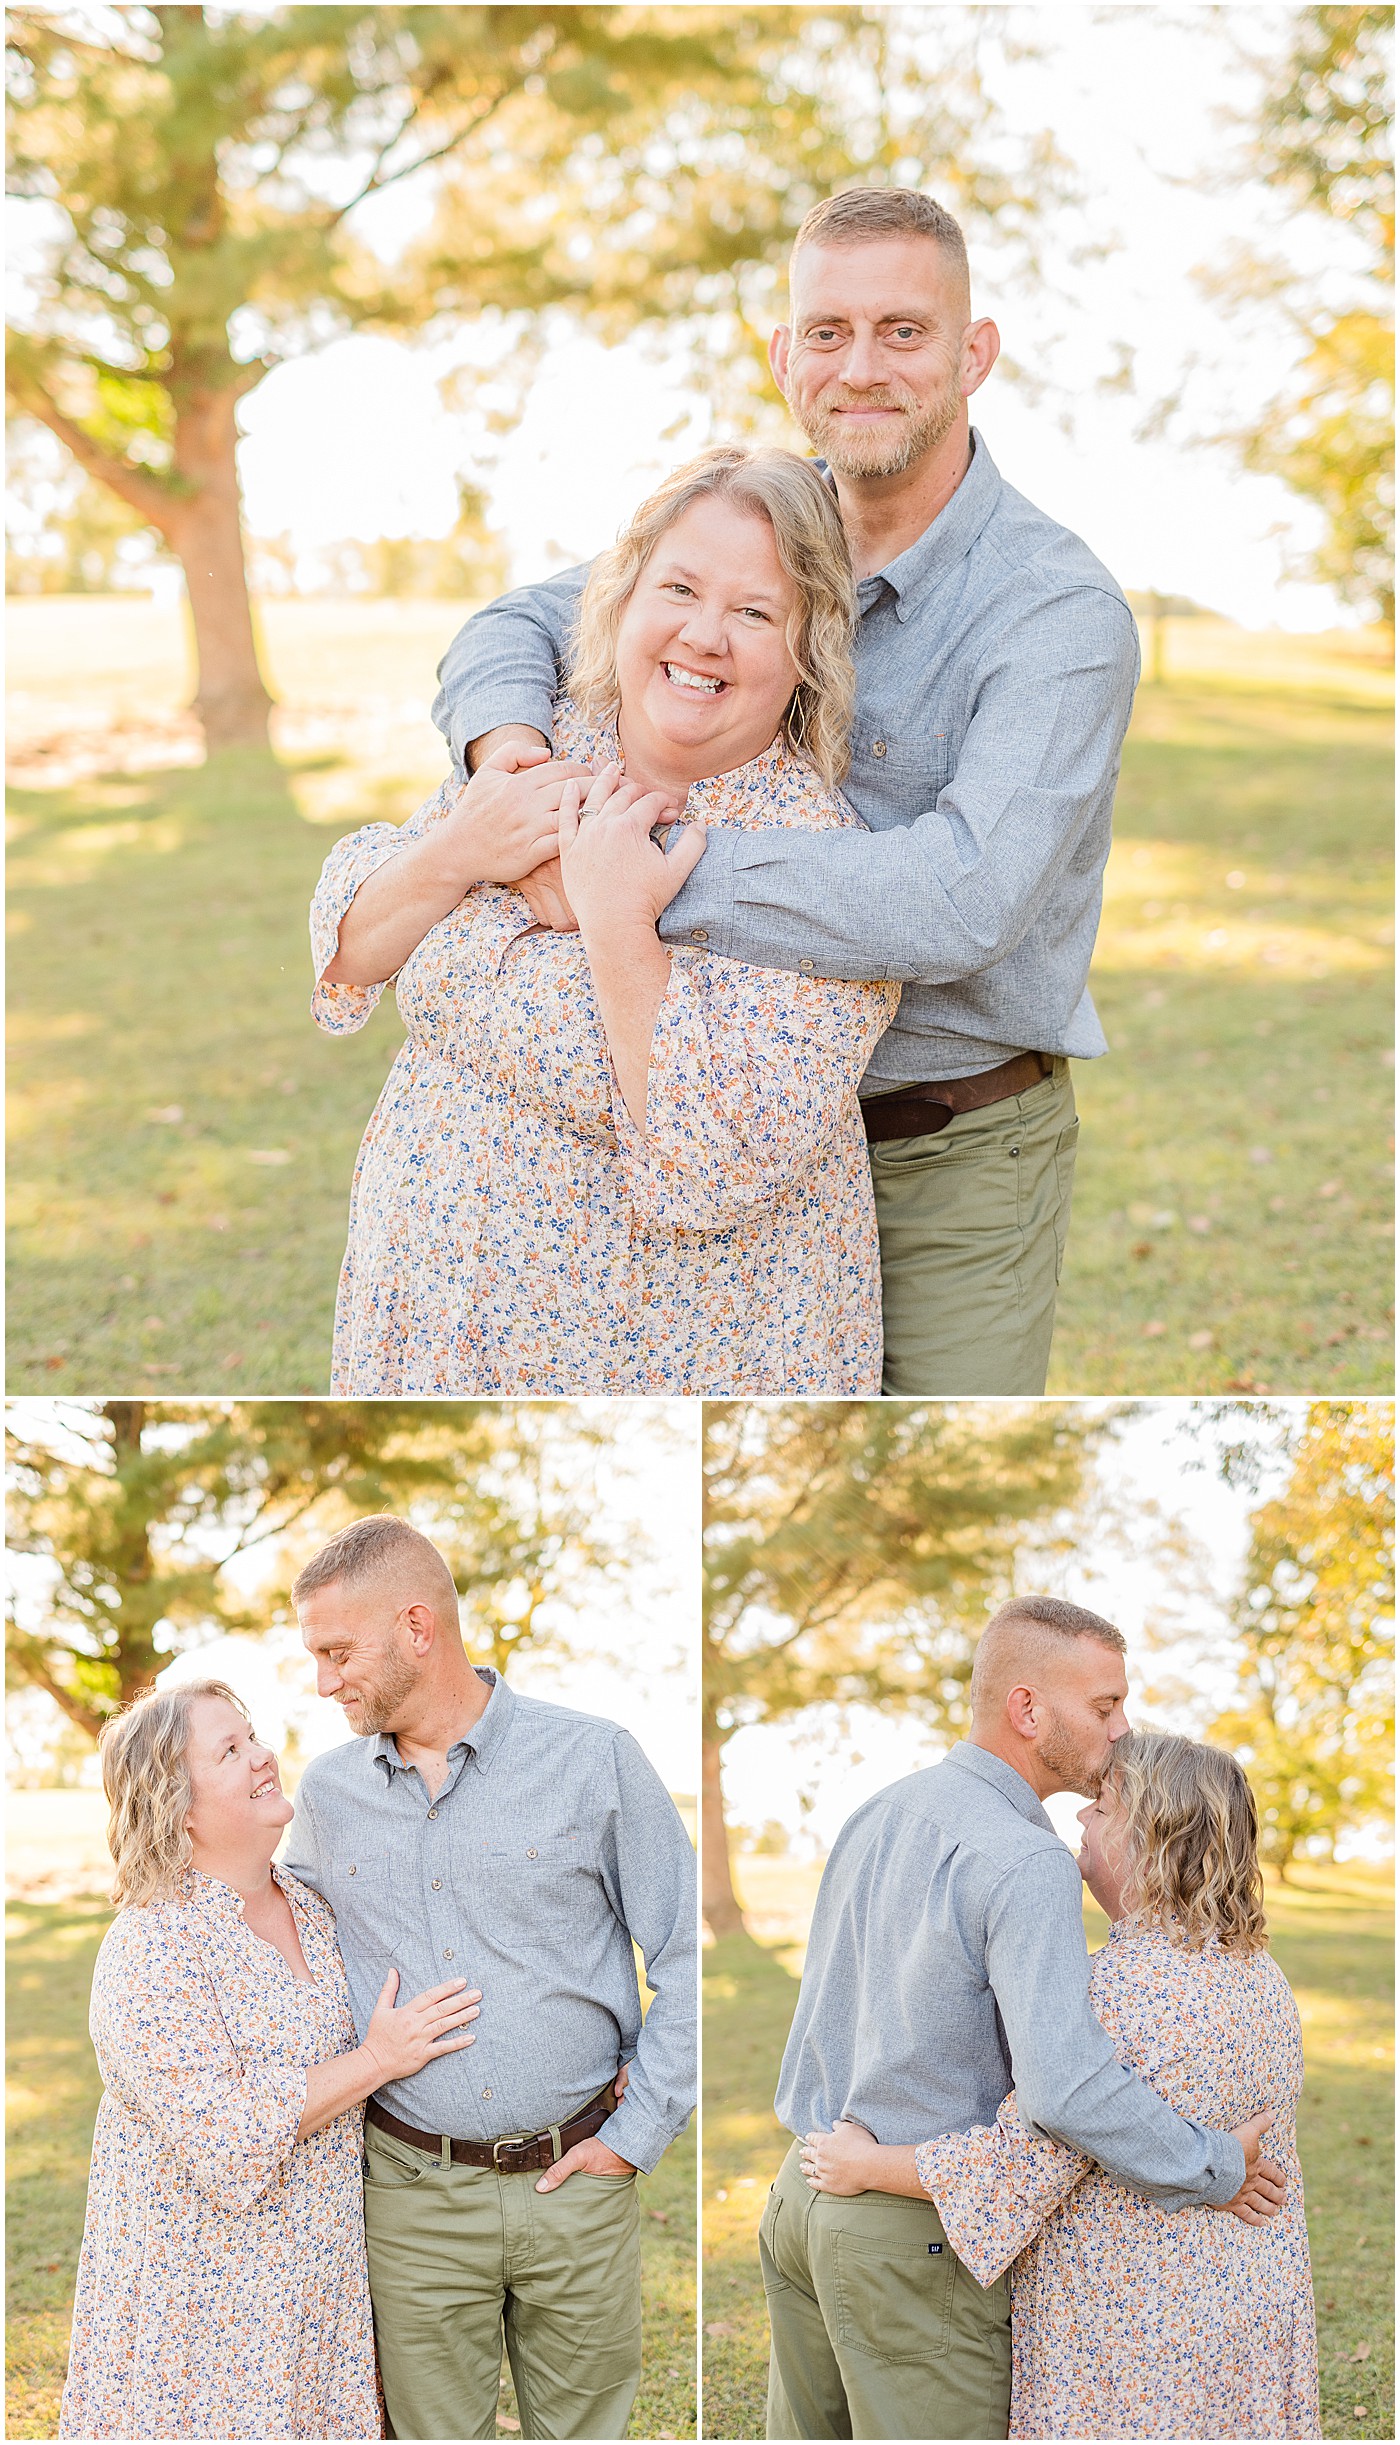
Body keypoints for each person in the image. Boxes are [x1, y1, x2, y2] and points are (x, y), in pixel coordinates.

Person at [434, 184, 1140, 1398]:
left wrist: (634, 868)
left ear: (972, 355)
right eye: (827, 332)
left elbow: (959, 901)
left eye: (902, 332)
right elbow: (513, 624)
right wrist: (513, 772)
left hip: (938, 1150)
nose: (859, 367)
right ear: (783, 356)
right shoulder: (745, 524)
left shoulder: (1056, 617)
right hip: (699, 1114)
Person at [311, 445, 899, 1395]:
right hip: (421, 1321)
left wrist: (615, 921)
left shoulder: (825, 861)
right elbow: (351, 951)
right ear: (622, 598)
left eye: (755, 612)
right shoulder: (541, 746)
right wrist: (461, 852)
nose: (706, 635)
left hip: (652, 1360)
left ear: (809, 648)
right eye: (679, 588)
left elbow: (709, 1157)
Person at [755, 1598, 1288, 2442]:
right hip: (911, 2236)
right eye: (1105, 1706)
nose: (1121, 1729)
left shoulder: (881, 1810)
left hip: (801, 2194)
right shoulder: (1029, 1857)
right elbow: (1067, 2087)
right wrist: (1213, 2165)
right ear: (1028, 1708)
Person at [282, 1513, 698, 2443]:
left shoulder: (594, 1758)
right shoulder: (328, 1794)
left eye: (339, 1651)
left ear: (418, 1630)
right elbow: (284, 1952)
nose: (323, 1681)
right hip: (410, 2193)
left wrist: (636, 2134)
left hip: (579, 2181)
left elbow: (685, 1957)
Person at [58, 1679, 481, 2441]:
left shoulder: (311, 1907)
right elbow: (228, 2135)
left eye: (251, 1736)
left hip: (318, 2304)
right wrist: (376, 2058)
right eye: (229, 1750)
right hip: (202, 2325)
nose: (263, 1756)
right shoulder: (153, 1945)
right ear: (176, 1802)